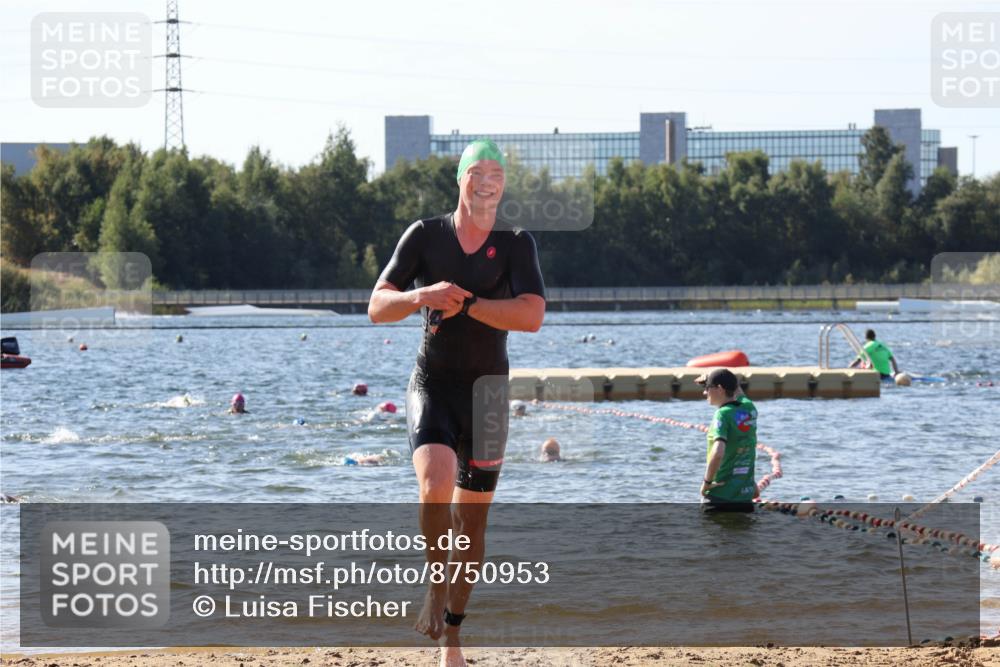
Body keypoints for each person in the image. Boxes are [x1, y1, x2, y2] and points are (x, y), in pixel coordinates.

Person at [368, 138, 545, 667]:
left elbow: (531, 315)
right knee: (435, 483)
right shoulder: (425, 235)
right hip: (434, 383)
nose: (486, 181)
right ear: (460, 179)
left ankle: (452, 639)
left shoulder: (517, 244)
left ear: (503, 184)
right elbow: (377, 306)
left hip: (489, 394)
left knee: (472, 528)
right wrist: (421, 297)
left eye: (496, 173)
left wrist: (467, 304)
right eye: (477, 172)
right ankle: (433, 583)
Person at [695, 369, 758, 512]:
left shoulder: (722, 414)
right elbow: (735, 385)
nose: (704, 392)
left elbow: (718, 452)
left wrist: (706, 483)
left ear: (720, 389)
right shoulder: (749, 408)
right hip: (744, 497)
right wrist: (713, 378)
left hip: (719, 496)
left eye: (707, 387)